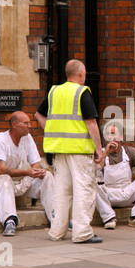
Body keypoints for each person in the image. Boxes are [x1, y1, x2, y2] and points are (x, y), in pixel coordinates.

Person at [35, 59, 104, 243]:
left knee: (62, 191)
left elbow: (38, 114)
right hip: (79, 151)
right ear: (81, 73)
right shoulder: (81, 92)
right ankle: (82, 233)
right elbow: (91, 122)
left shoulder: (54, 92)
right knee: (84, 189)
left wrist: (50, 131)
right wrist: (99, 149)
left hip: (59, 150)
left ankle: (57, 232)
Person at [0, 111, 54, 237]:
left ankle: (56, 218)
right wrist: (28, 172)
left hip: (20, 180)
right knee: (5, 179)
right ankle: (9, 220)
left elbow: (35, 163)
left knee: (47, 176)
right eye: (26, 123)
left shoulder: (28, 137)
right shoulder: (0, 139)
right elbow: (1, 170)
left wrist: (38, 171)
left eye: (29, 123)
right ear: (15, 125)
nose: (30, 126)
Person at [96, 122, 135, 230]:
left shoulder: (129, 151)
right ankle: (109, 218)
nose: (110, 137)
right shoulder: (101, 154)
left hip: (127, 193)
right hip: (108, 194)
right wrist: (105, 152)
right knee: (92, 182)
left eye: (113, 134)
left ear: (121, 137)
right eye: (107, 134)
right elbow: (94, 170)